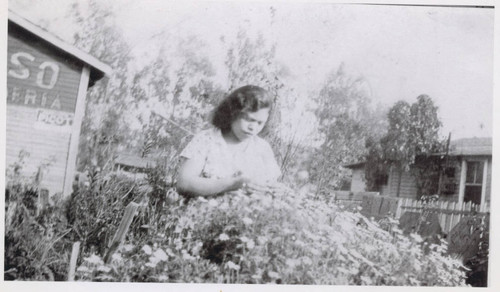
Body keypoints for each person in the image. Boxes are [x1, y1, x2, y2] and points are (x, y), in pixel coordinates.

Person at [176, 85, 282, 198]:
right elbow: (184, 184)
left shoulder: (262, 148)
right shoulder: (207, 139)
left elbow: (271, 184)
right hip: (204, 211)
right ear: (232, 113)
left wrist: (275, 190)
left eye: (260, 123)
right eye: (248, 119)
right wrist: (231, 183)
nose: (253, 127)